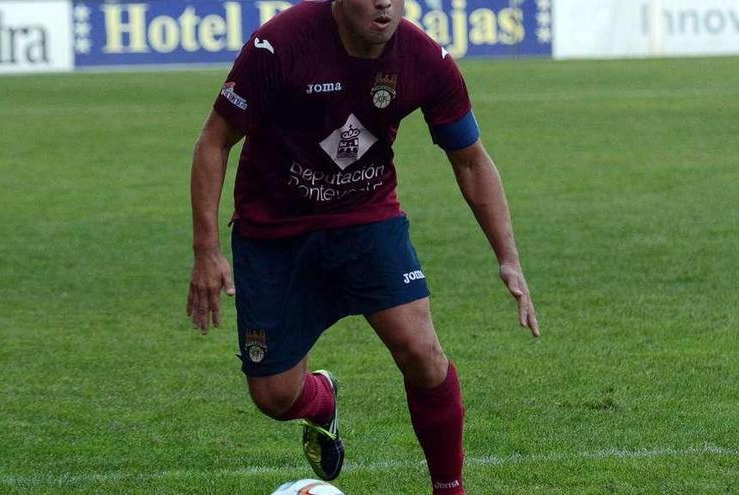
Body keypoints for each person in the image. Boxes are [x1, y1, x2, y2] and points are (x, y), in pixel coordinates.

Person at [186, 0, 539, 493]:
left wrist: (509, 259)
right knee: (274, 397)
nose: (384, 4)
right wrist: (207, 250)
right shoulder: (279, 45)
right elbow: (213, 142)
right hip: (274, 233)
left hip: (365, 220)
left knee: (421, 351)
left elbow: (471, 162)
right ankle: (321, 398)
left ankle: (449, 487)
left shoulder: (424, 59)